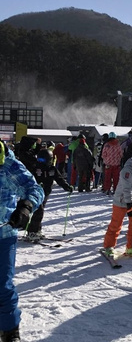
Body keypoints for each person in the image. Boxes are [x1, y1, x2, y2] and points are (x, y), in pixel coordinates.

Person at [0, 141, 45, 341]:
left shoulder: (7, 164)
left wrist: (26, 206)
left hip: (3, 234)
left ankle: (10, 331)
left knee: (2, 285)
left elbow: (33, 188)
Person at [102, 145, 132, 258]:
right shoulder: (128, 170)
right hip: (121, 201)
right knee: (116, 224)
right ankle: (109, 246)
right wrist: (129, 203)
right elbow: (126, 188)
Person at [25, 149, 74, 241]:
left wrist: (67, 187)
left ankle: (37, 230)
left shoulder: (52, 169)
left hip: (46, 193)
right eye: (39, 160)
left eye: (42, 160)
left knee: (39, 211)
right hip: (35, 192)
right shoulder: (35, 168)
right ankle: (32, 231)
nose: (40, 162)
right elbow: (28, 178)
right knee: (38, 211)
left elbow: (59, 179)